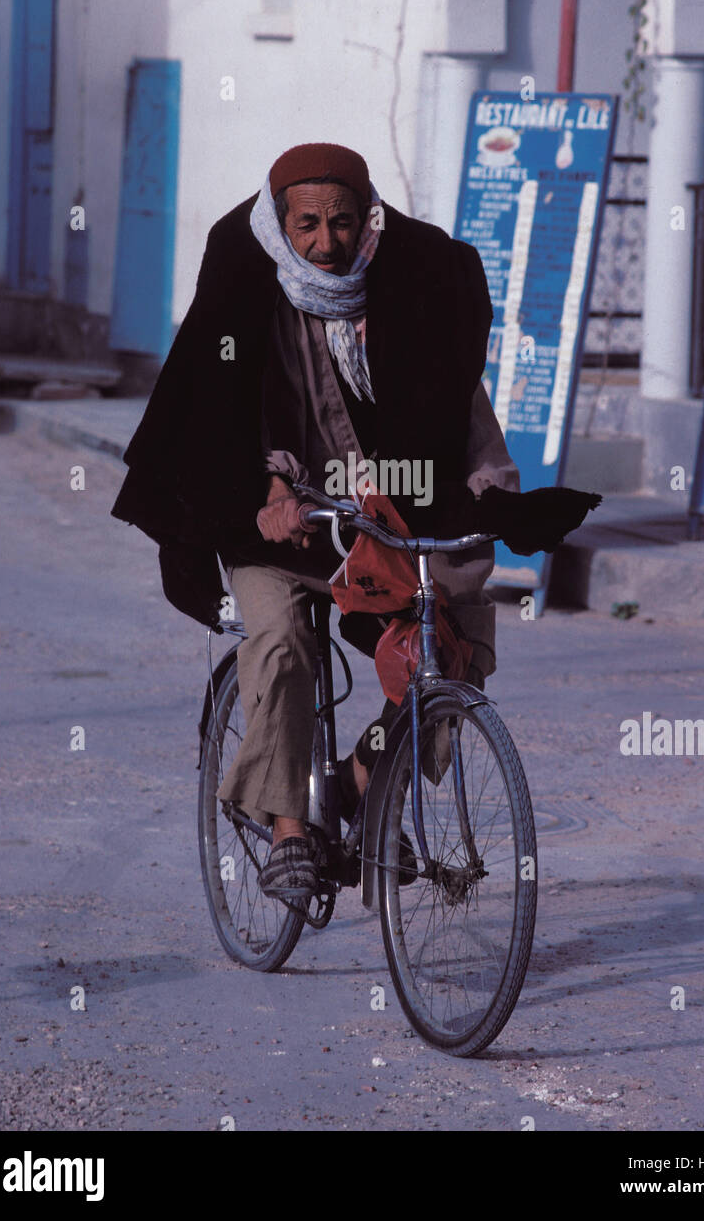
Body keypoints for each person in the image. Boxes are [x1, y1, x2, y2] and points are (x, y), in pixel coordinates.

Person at [111, 142, 597, 900]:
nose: (326, 244)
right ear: (282, 223)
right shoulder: (255, 303)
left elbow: (466, 420)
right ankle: (289, 832)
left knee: (451, 636)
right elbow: (222, 418)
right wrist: (266, 495)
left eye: (342, 224)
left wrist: (495, 499)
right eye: (306, 225)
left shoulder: (409, 296)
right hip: (278, 532)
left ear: (367, 218)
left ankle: (366, 773)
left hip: (379, 530)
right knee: (279, 646)